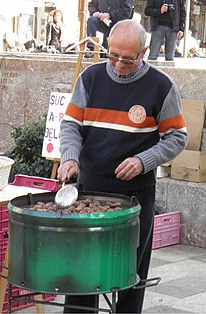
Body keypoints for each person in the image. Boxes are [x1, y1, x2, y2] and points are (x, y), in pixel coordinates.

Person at [57, 19, 188, 313]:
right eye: (112, 56)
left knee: (130, 275)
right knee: (81, 272)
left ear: (143, 53)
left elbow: (178, 136)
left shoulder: (161, 86)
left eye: (127, 59)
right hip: (88, 191)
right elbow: (71, 125)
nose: (117, 65)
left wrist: (144, 160)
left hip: (135, 196)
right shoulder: (90, 78)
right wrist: (69, 156)